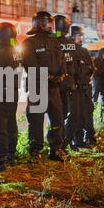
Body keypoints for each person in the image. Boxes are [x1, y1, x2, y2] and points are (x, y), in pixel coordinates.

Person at [22, 11, 66, 161]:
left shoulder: (54, 41)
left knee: (57, 119)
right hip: (37, 87)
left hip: (54, 89)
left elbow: (62, 61)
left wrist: (61, 75)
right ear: (39, 23)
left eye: (50, 23)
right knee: (36, 121)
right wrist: (49, 77)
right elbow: (31, 65)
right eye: (47, 23)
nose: (50, 26)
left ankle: (55, 149)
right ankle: (35, 150)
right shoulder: (29, 43)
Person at [0, 22, 21, 173]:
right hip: (13, 93)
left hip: (0, 94)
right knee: (11, 123)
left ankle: (0, 159)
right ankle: (11, 155)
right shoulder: (17, 53)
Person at [58, 21, 95, 148]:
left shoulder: (83, 50)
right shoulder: (68, 48)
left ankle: (78, 141)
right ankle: (67, 142)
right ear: (72, 35)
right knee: (72, 116)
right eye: (80, 35)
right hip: (71, 88)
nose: (82, 38)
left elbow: (90, 68)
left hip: (83, 88)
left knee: (81, 116)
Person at [93, 48, 104, 119]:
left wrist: (98, 71)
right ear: (101, 53)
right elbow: (95, 71)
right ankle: (93, 116)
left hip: (103, 83)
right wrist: (103, 71)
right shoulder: (95, 61)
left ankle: (101, 117)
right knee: (95, 99)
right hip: (97, 82)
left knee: (103, 99)